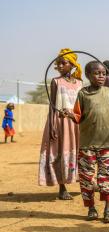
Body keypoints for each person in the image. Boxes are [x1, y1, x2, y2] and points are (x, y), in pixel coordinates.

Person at [64, 61, 109, 223]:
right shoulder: (82, 94)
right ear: (88, 75)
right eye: (97, 73)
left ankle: (108, 209)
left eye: (103, 73)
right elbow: (78, 116)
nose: (101, 76)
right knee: (87, 177)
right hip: (87, 145)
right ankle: (91, 208)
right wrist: (68, 114)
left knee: (107, 176)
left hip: (106, 144)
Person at [38, 48, 82, 200]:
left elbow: (82, 106)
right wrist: (51, 125)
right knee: (60, 151)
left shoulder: (80, 83)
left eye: (64, 63)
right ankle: (62, 187)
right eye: (59, 64)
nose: (61, 66)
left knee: (81, 152)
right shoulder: (56, 82)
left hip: (75, 122)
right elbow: (52, 105)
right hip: (60, 121)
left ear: (72, 65)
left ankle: (86, 182)